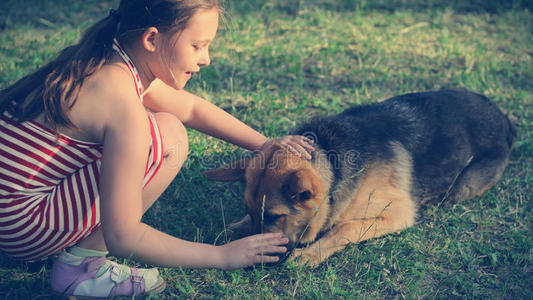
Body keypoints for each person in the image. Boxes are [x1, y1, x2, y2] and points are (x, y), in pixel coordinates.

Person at [0, 0, 314, 297]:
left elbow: (191, 108)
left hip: (9, 213)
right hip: (23, 224)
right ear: (152, 39)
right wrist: (221, 255)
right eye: (197, 45)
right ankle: (83, 266)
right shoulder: (123, 107)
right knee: (166, 137)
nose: (206, 58)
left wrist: (265, 144)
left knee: (168, 126)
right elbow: (122, 236)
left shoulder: (107, 61)